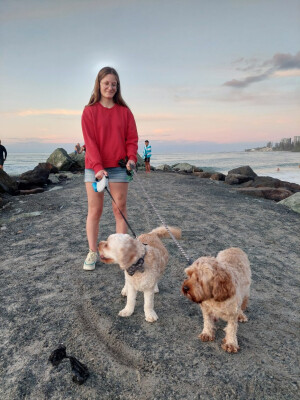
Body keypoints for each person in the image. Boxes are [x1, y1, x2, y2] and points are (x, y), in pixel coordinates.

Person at [81, 66, 138, 271]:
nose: (110, 87)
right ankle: (92, 252)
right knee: (95, 210)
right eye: (106, 83)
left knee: (120, 209)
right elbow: (91, 142)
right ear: (99, 84)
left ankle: (121, 254)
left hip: (120, 167)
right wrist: (97, 167)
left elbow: (131, 139)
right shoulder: (89, 111)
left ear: (118, 86)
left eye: (114, 84)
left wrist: (131, 158)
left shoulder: (125, 112)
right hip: (94, 168)